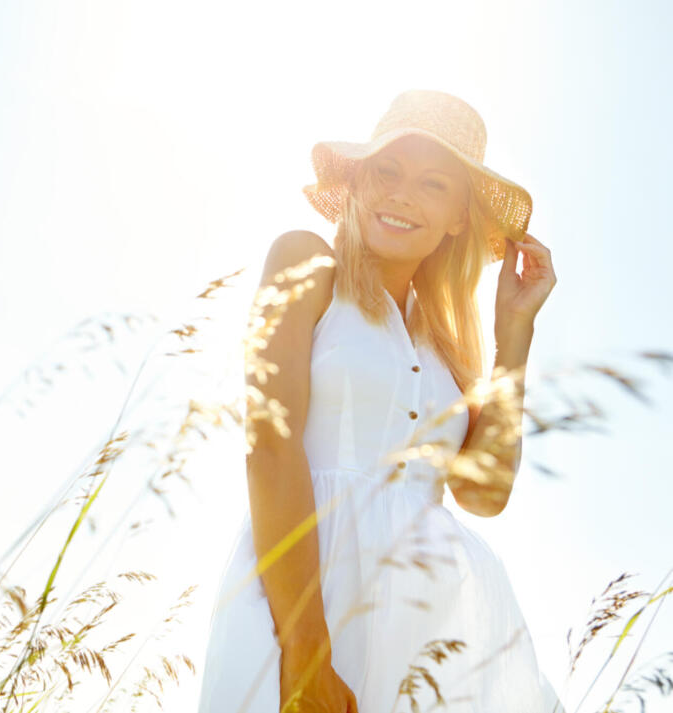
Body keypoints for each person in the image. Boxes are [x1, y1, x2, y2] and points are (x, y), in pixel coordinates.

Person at [196, 90, 565, 712]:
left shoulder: (447, 344)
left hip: (433, 625)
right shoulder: (305, 260)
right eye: (386, 172)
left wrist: (514, 335)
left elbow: (484, 495)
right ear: (359, 182)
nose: (401, 195)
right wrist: (307, 650)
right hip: (304, 603)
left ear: (457, 217)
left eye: (432, 184)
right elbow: (271, 446)